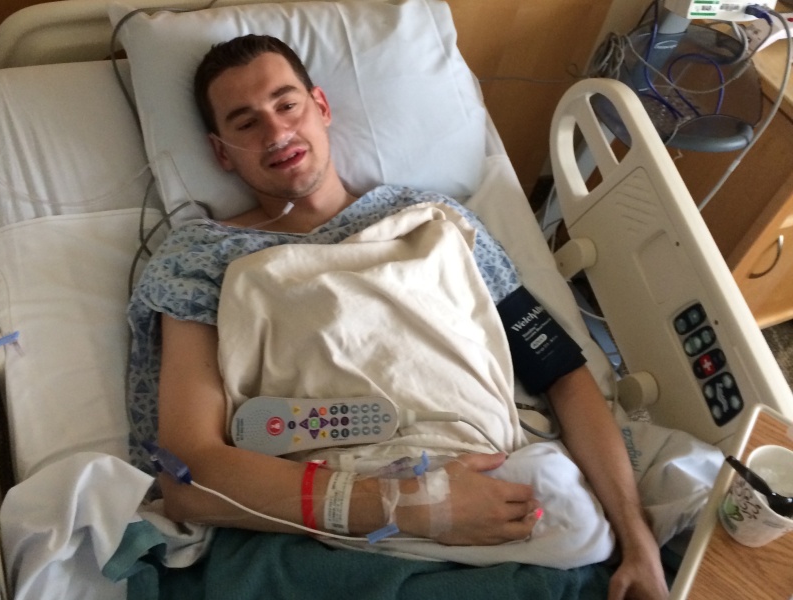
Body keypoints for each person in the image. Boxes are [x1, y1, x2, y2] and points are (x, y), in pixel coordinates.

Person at [126, 34, 668, 599]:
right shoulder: (200, 258)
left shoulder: (433, 220)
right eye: (246, 122)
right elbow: (188, 475)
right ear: (221, 153)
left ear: (321, 106)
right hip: (335, 533)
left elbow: (561, 374)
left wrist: (638, 540)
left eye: (286, 104)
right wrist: (408, 506)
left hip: (500, 494)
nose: (276, 132)